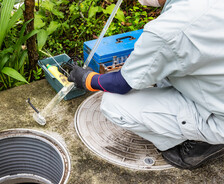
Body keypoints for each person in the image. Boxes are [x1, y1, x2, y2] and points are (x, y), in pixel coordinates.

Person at [68, 0, 224, 170]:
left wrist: (87, 79)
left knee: (112, 104)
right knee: (167, 70)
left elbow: (121, 84)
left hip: (219, 115)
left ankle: (200, 143)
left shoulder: (170, 29)